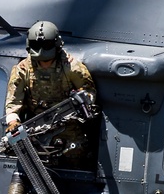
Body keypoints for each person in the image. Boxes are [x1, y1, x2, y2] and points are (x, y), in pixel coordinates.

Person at [5, 21, 96, 168]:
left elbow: (90, 93)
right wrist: (13, 123)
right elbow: (13, 103)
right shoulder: (22, 70)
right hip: (37, 136)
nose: (44, 62)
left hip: (70, 137)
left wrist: (81, 102)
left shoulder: (72, 68)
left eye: (47, 47)